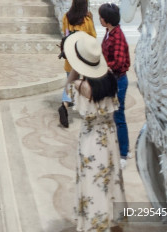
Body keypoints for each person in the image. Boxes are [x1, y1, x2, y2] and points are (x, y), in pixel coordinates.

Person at [63, 31, 125, 232]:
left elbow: (68, 85)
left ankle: (93, 222)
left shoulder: (82, 86)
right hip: (109, 135)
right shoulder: (110, 81)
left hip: (91, 139)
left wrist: (74, 64)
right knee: (109, 177)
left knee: (92, 180)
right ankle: (110, 218)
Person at [98, 2, 130, 166]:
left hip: (118, 80)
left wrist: (103, 68)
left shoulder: (117, 36)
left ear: (107, 20)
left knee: (118, 116)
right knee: (110, 114)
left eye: (101, 17)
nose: (100, 19)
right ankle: (117, 147)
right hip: (111, 79)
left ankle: (124, 154)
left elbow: (118, 62)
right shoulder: (109, 32)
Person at [59, 0, 97, 126]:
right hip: (84, 56)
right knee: (85, 83)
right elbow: (93, 37)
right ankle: (87, 110)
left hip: (70, 55)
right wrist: (91, 20)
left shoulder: (66, 17)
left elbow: (65, 33)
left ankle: (64, 105)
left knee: (70, 81)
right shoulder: (86, 20)